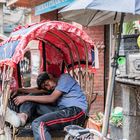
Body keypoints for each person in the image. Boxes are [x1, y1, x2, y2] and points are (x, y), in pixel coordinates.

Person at [5, 72, 88, 140]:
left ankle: (25, 118)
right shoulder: (54, 88)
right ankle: (22, 117)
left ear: (50, 76)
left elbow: (51, 98)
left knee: (38, 123)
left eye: (47, 83)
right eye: (45, 87)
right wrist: (19, 90)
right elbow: (37, 90)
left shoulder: (65, 78)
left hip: (75, 111)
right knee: (32, 98)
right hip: (61, 110)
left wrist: (25, 97)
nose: (48, 88)